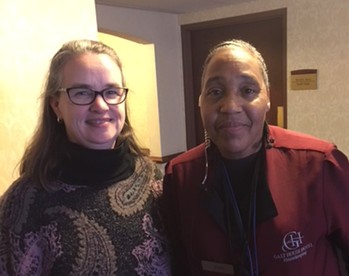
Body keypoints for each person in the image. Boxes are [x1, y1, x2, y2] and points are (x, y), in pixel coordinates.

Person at [161, 39, 349, 275]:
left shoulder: (320, 165)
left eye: (248, 91)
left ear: (267, 98)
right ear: (200, 101)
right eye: (215, 92)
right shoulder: (178, 176)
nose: (230, 106)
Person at [0, 39, 170, 275]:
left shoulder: (152, 178)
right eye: (82, 92)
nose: (100, 105)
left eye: (111, 91)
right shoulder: (22, 203)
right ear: (56, 105)